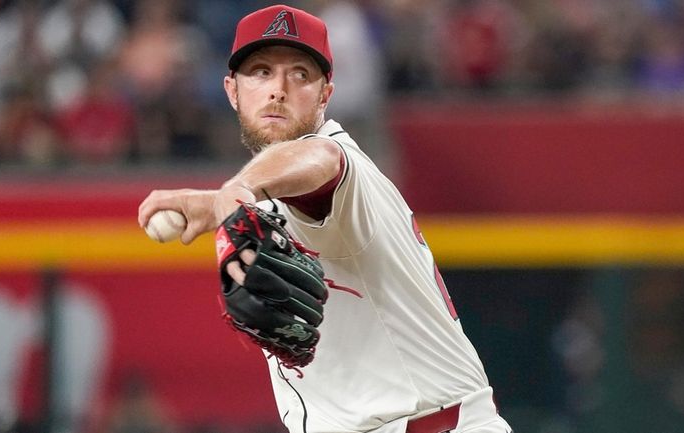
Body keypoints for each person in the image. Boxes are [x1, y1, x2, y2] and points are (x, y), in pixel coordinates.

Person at [138, 5, 513, 433]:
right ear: (232, 90)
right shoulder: (261, 202)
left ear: (325, 95)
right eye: (260, 72)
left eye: (300, 74)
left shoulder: (338, 163)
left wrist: (231, 193)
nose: (278, 89)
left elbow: (320, 159)